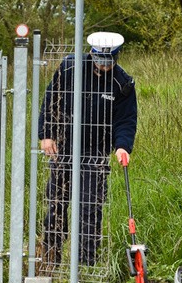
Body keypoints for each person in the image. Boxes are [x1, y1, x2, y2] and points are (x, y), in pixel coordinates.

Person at [37, 31, 137, 268]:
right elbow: (52, 98)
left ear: (116, 58)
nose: (104, 65)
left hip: (95, 151)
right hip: (64, 147)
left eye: (109, 61)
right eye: (100, 60)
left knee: (90, 206)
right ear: (91, 54)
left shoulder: (122, 84)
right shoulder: (70, 68)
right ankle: (52, 258)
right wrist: (46, 134)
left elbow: (126, 120)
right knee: (56, 201)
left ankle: (85, 263)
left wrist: (122, 146)